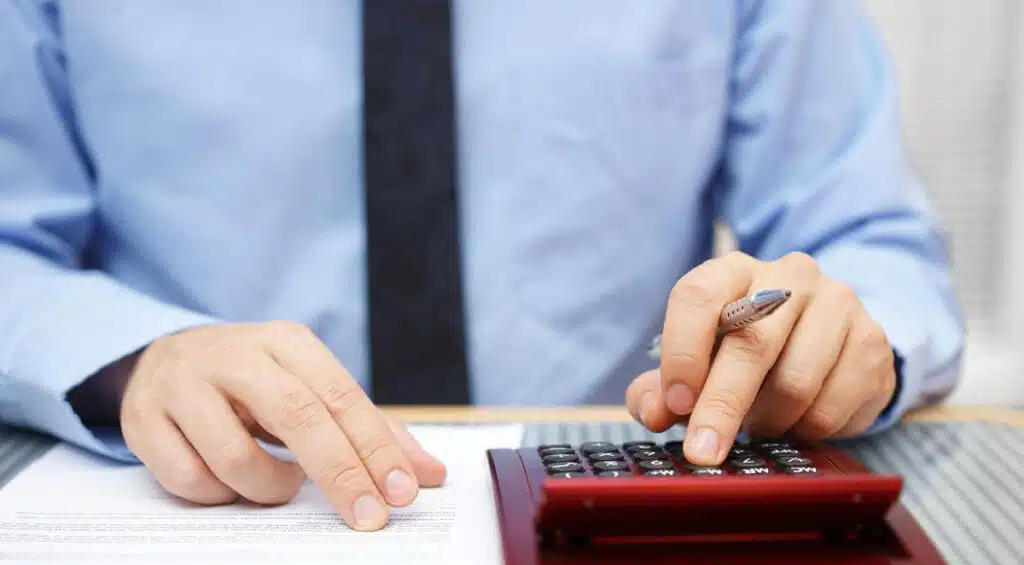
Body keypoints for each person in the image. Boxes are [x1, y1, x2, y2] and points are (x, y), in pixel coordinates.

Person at [0, 1, 963, 531]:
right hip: (210, 519)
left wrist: (845, 333)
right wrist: (137, 355)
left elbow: (871, 240)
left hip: (620, 516)